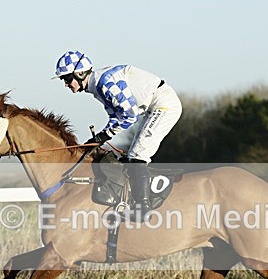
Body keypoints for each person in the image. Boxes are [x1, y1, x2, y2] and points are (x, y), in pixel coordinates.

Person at [53, 50, 182, 216]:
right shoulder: (97, 86)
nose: (66, 84)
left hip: (163, 105)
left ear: (80, 73)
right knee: (131, 157)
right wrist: (99, 137)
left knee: (138, 156)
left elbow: (130, 116)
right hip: (153, 106)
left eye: (67, 79)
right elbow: (115, 117)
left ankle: (142, 208)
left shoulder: (105, 83)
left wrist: (103, 136)